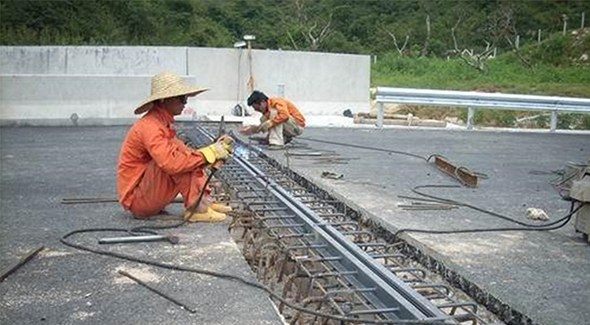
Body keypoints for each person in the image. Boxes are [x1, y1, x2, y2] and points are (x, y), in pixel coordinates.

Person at [117, 72, 233, 223]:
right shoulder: (150, 126)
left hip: (146, 194)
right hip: (138, 200)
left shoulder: (160, 124)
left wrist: (212, 153)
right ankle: (197, 209)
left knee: (187, 154)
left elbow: (189, 155)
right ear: (165, 100)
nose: (185, 103)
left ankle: (204, 201)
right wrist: (208, 154)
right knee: (179, 160)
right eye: (181, 98)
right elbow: (172, 163)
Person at [240, 91, 305, 149]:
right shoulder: (268, 109)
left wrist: (271, 122)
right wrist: (253, 129)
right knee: (263, 119)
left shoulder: (276, 103)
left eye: (257, 108)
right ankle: (283, 138)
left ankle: (277, 143)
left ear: (262, 103)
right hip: (290, 126)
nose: (257, 110)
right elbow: (265, 125)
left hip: (297, 127)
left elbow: (285, 116)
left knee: (274, 113)